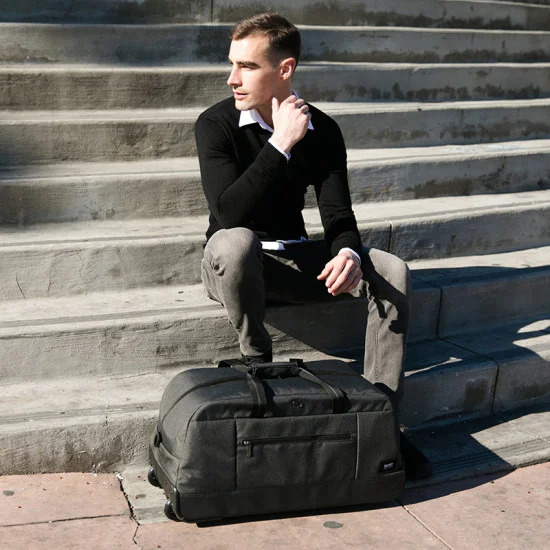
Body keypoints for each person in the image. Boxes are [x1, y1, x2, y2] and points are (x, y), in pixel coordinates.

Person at [194, 12, 431, 480]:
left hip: (294, 259)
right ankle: (256, 362)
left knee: (393, 270)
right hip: (233, 264)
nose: (232, 78)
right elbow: (228, 214)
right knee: (238, 242)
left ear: (285, 69)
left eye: (247, 66)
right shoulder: (215, 124)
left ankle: (381, 417)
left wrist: (347, 253)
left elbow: (338, 215)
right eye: (232, 64)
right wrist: (280, 145)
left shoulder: (322, 130)